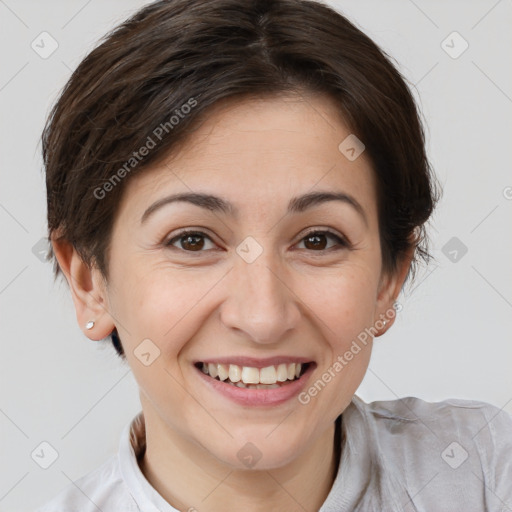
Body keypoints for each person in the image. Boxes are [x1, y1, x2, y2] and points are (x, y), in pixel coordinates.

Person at [35, 0, 512, 510]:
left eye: (318, 240)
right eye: (192, 240)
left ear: (390, 277)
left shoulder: (483, 473)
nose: (263, 317)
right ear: (90, 282)